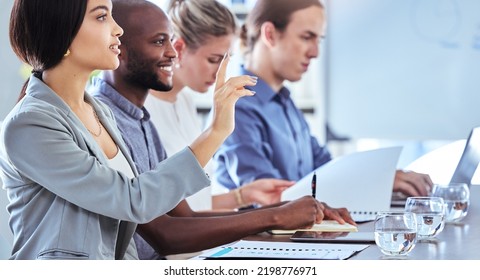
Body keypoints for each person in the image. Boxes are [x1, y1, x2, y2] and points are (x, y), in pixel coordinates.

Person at [89, 0, 355, 260]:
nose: (173, 53)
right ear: (117, 47)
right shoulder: (103, 118)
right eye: (160, 42)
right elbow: (164, 234)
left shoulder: (143, 117)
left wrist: (288, 209)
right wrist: (275, 215)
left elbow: (187, 215)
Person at [0, 0, 250, 260]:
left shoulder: (100, 112)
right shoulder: (30, 124)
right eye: (101, 17)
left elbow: (123, 234)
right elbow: (132, 200)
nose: (118, 29)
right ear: (63, 31)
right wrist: (216, 132)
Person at [214, 0, 433, 198]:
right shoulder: (238, 105)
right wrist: (376, 181)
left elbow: (325, 169)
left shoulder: (285, 103)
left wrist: (382, 177)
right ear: (270, 34)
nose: (315, 52)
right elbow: (271, 197)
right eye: (307, 37)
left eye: (318, 40)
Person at [145, 0, 293, 211]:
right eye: (214, 60)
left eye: (224, 62)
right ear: (179, 48)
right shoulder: (144, 108)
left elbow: (194, 206)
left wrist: (243, 196)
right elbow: (163, 214)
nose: (219, 74)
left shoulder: (185, 100)